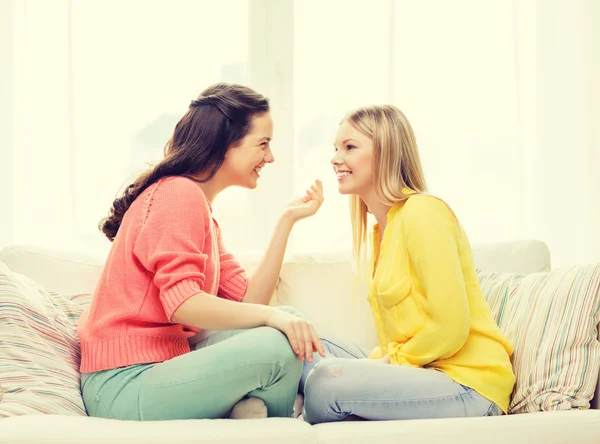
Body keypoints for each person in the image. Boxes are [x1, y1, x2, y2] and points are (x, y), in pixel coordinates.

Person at [77, 83, 325, 421]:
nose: (270, 157)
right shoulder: (178, 195)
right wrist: (273, 318)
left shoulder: (199, 208)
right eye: (263, 144)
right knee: (278, 342)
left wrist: (286, 222)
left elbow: (249, 303)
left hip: (158, 368)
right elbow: (184, 305)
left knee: (287, 319)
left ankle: (263, 411)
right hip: (123, 384)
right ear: (225, 145)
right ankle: (283, 414)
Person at [299, 105, 516, 424]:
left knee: (324, 381)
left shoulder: (423, 213)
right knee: (295, 346)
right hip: (419, 370)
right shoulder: (381, 230)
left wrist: (387, 362)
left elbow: (450, 327)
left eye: (349, 147)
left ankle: (313, 403)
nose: (334, 158)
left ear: (385, 153)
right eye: (335, 148)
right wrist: (383, 362)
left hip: (467, 382)